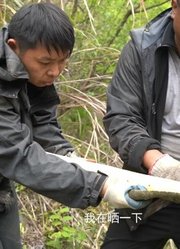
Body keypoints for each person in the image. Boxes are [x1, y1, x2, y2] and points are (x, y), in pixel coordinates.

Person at [0, 2, 150, 249]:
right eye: (46, 62)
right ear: (13, 46)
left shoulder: (29, 68)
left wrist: (68, 157)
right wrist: (100, 186)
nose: (55, 72)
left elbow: (42, 121)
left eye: (62, 62)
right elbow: (19, 155)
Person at [102, 0, 180, 248]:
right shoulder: (142, 49)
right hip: (148, 188)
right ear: (174, 6)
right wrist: (160, 166)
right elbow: (121, 118)